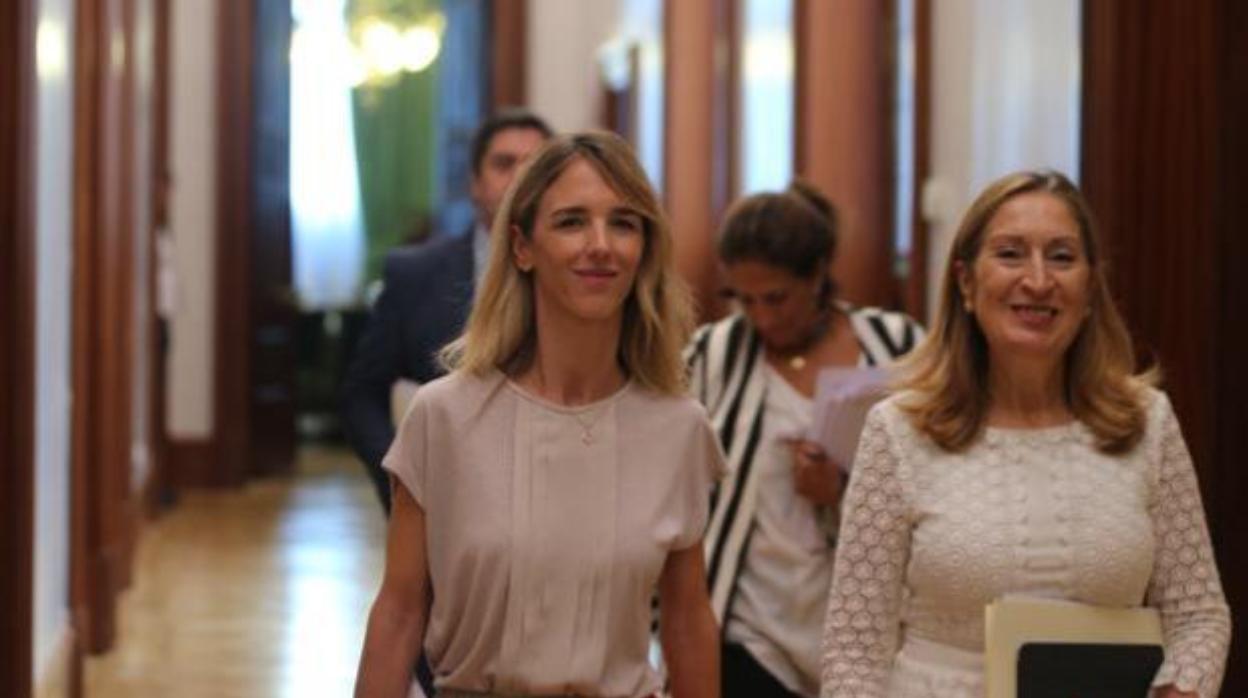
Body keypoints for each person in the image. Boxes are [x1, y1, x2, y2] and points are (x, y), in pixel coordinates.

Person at [820, 170, 1231, 697]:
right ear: (967, 283)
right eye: (1011, 254)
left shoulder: (1146, 423)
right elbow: (853, 652)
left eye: (1061, 257)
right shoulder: (899, 430)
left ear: (1089, 288)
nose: (1037, 280)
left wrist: (1182, 690)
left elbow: (1198, 614)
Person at [354, 131, 723, 698]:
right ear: (523, 247)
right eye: (572, 221)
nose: (600, 244)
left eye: (624, 223)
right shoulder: (445, 417)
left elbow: (686, 622)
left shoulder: (678, 428)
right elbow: (400, 612)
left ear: (644, 248)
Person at [685, 182, 923, 698]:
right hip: (750, 634)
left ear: (818, 277)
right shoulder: (714, 353)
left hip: (871, 631)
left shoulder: (897, 345)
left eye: (777, 298)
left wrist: (840, 493)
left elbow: (936, 480)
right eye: (744, 300)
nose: (763, 318)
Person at [341, 108, 553, 514]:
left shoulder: (581, 273)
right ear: (475, 183)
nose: (520, 177)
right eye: (504, 163)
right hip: (441, 510)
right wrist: (401, 483)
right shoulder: (414, 273)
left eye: (536, 164)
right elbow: (361, 395)